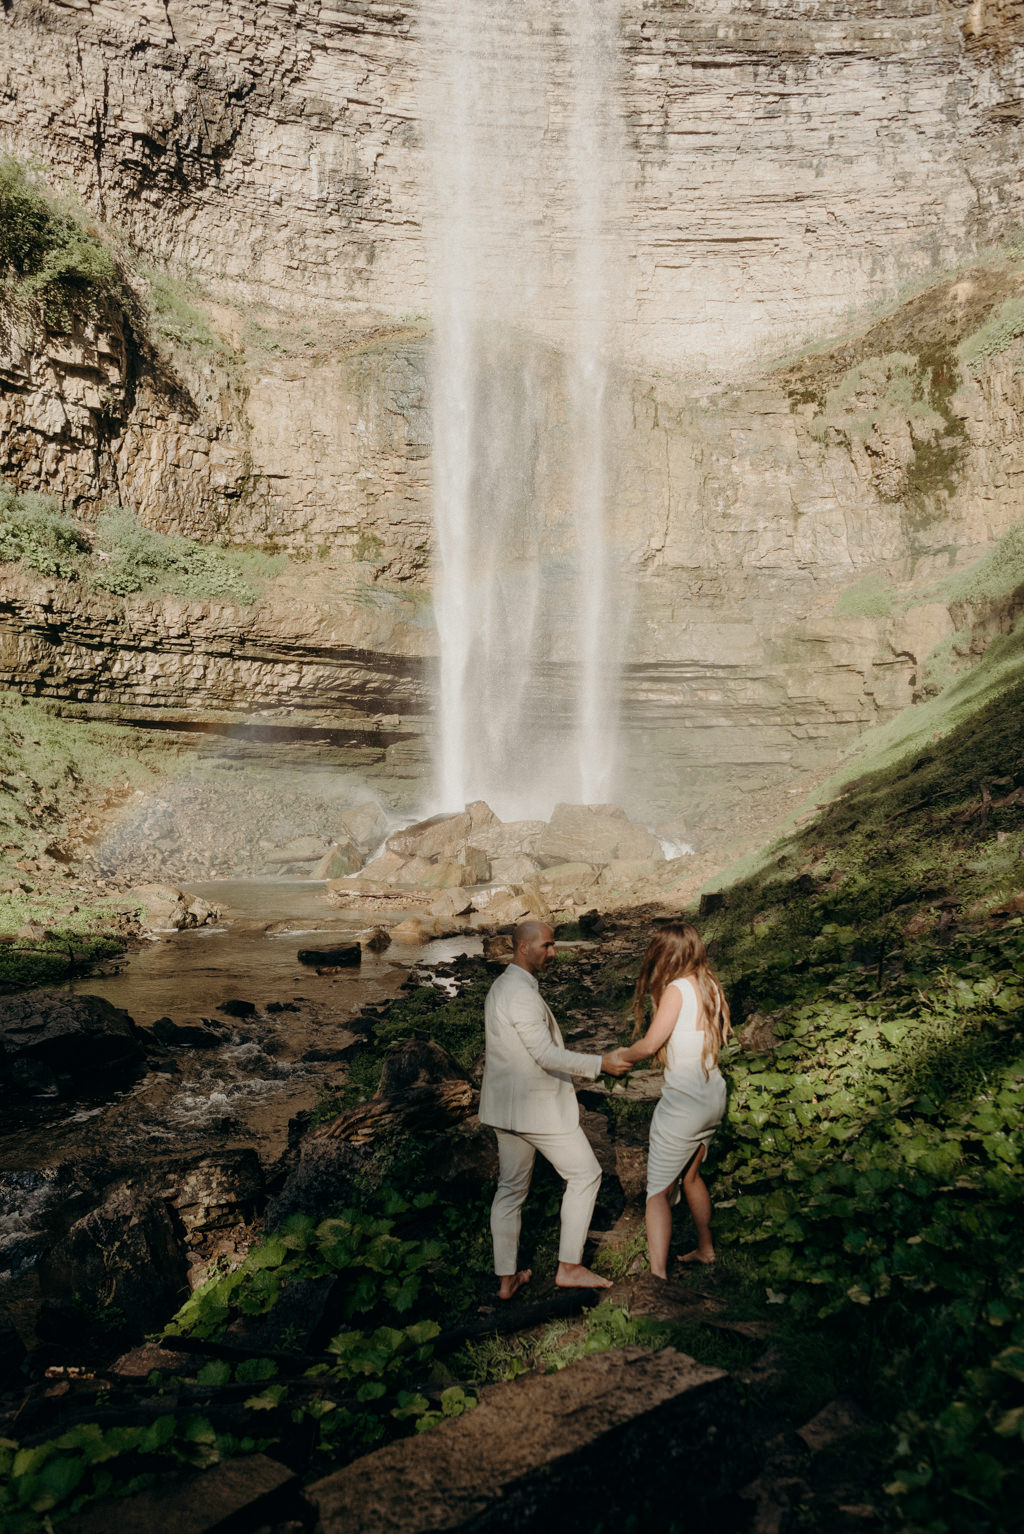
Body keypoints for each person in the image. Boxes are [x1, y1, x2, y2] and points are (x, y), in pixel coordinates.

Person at [479, 919, 633, 1298]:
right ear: (521, 948)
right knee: (586, 1175)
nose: (553, 953)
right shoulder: (521, 994)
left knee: (511, 1189)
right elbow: (544, 1054)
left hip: (504, 1108)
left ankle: (506, 1279)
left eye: (553, 945)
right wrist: (601, 1063)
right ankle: (570, 1267)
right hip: (536, 1109)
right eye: (546, 946)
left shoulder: (504, 986)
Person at [620, 921, 731, 1276]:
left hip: (684, 1104)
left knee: (657, 1192)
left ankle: (657, 1275)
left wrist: (621, 1057)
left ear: (666, 955)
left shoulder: (677, 990)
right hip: (712, 1095)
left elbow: (651, 1044)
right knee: (692, 1177)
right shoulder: (709, 983)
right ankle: (706, 1249)